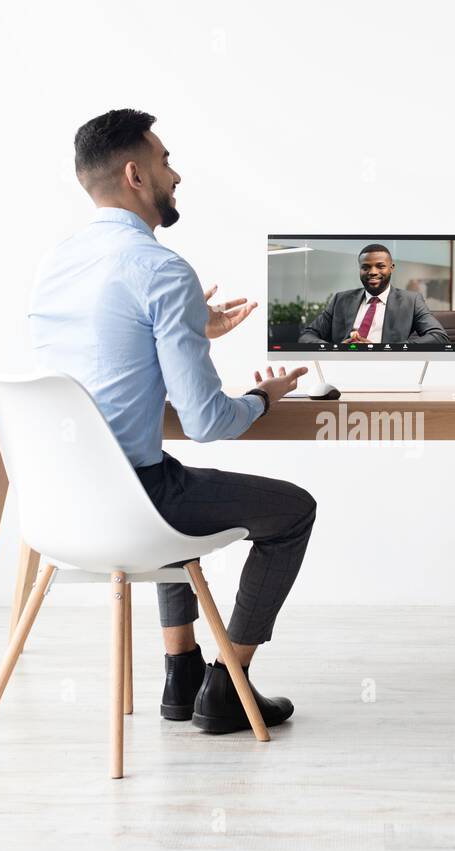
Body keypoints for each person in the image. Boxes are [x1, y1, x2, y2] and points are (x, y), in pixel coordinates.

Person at [28, 108, 314, 734]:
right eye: (164, 160)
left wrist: (189, 327)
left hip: (56, 508)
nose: (175, 173)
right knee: (292, 511)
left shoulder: (56, 265)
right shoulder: (161, 268)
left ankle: (180, 674)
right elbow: (208, 418)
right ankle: (228, 685)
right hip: (136, 504)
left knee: (169, 473)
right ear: (135, 174)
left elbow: (108, 356)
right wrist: (265, 400)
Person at [298, 244, 450, 346]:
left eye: (380, 266)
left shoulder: (411, 300)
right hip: (343, 365)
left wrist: (382, 348)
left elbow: (439, 336)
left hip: (389, 366)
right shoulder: (341, 300)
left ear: (391, 268)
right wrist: (335, 348)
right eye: (366, 267)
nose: (373, 272)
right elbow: (307, 335)